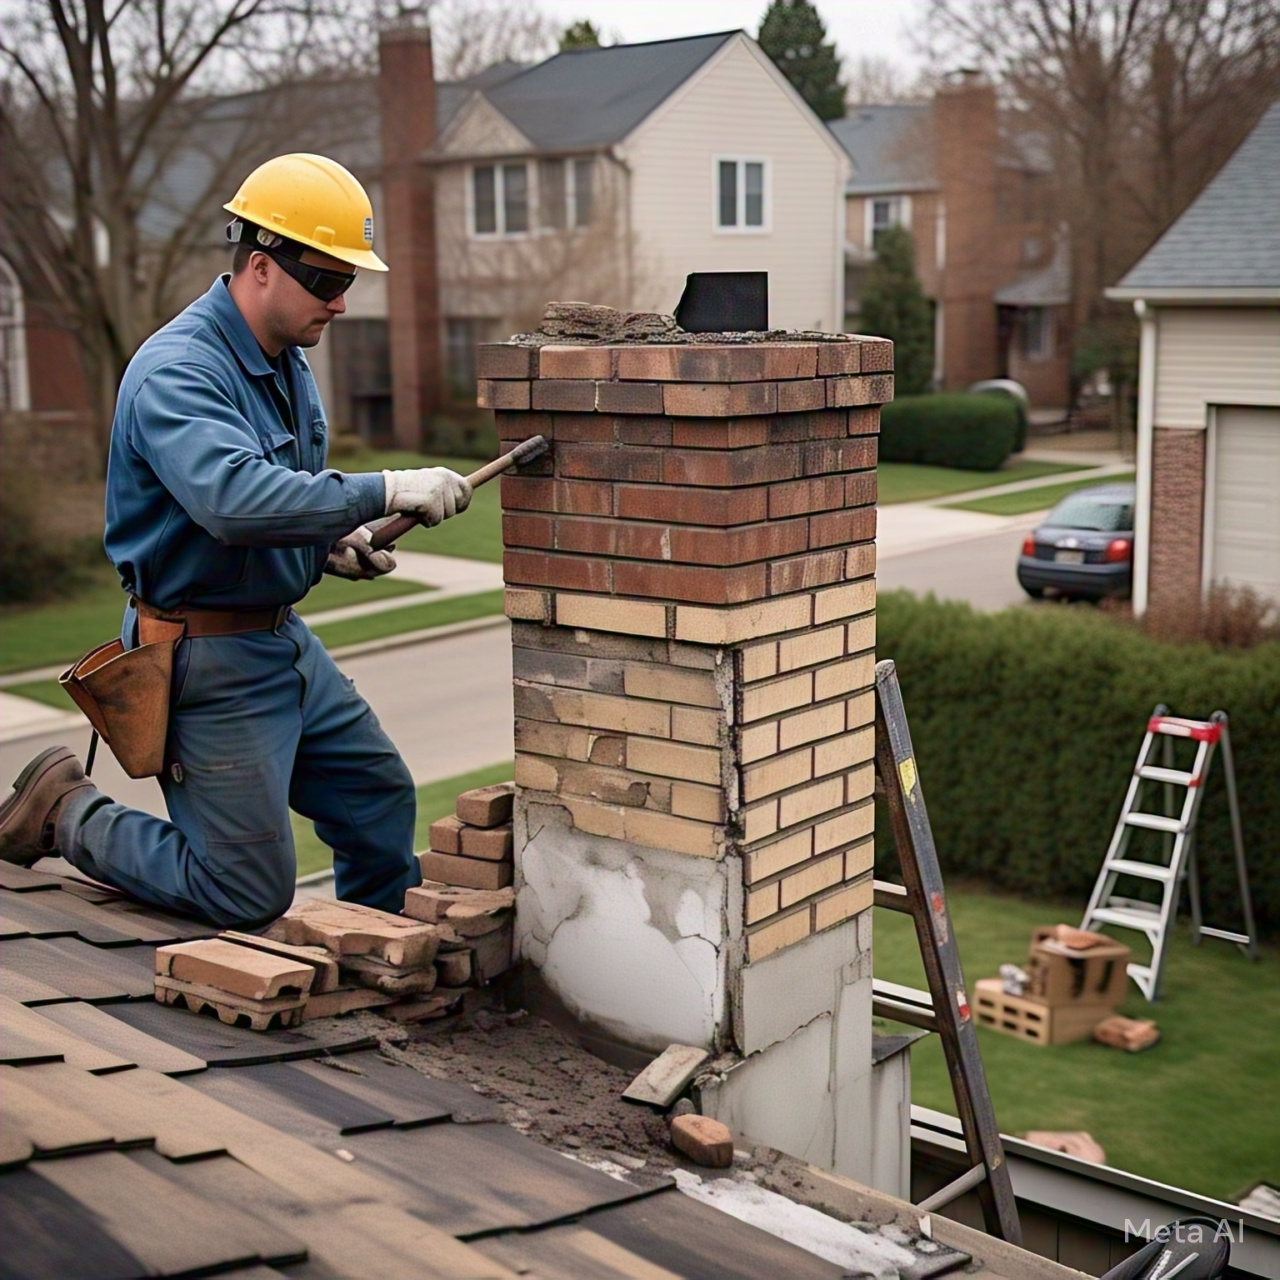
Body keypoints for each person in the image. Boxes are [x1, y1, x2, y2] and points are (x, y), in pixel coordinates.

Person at [0, 153, 471, 928]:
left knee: (376, 798)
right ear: (260, 266)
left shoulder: (283, 360)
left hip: (281, 639)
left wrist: (325, 543)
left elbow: (270, 500)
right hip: (205, 658)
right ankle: (66, 813)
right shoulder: (178, 372)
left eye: (349, 280)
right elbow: (233, 501)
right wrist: (386, 489)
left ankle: (376, 961)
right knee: (245, 889)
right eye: (326, 280)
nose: (343, 302)